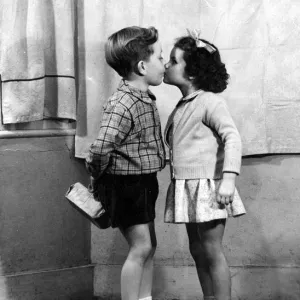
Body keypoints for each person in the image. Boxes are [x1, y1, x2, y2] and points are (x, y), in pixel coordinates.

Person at [163, 29, 246, 300]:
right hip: (187, 186)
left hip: (208, 187)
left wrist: (229, 178)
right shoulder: (182, 105)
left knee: (211, 250)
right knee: (197, 250)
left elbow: (232, 137)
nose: (167, 65)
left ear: (192, 73)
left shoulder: (210, 102)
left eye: (173, 61)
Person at [85, 26, 166, 300]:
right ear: (143, 66)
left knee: (148, 246)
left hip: (143, 182)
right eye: (161, 58)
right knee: (141, 248)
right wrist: (97, 178)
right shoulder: (123, 103)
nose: (164, 64)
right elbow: (100, 149)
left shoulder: (142, 97)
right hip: (126, 184)